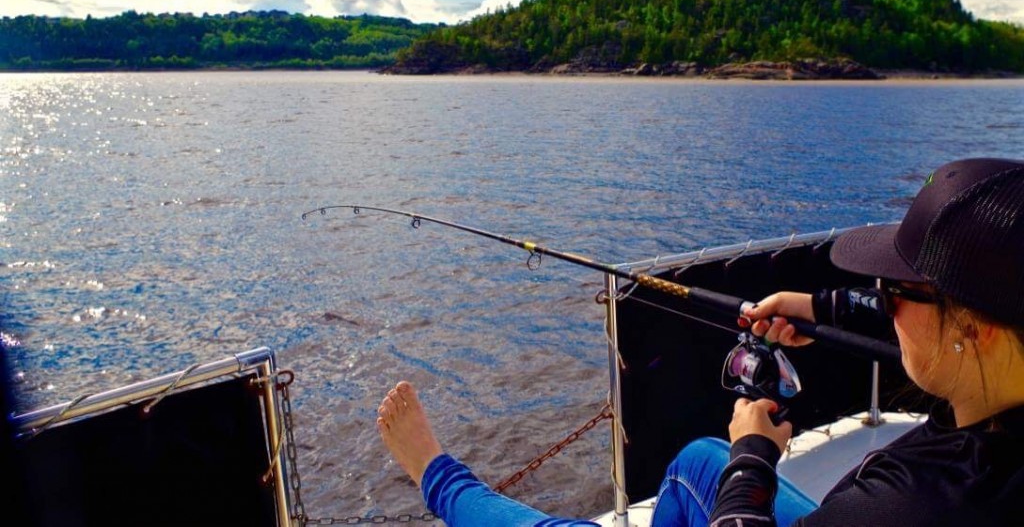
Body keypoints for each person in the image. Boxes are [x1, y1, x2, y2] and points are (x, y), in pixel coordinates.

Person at [377, 157, 1024, 526]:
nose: (880, 299)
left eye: (895, 292)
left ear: (979, 328)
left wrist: (754, 455)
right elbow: (922, 323)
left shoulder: (912, 502)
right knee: (697, 461)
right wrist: (819, 306)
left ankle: (438, 476)